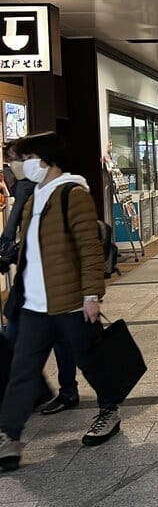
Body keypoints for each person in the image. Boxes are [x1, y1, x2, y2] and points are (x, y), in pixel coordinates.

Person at [0, 132, 122, 473]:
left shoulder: (73, 193)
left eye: (21, 158)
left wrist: (90, 295)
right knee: (22, 370)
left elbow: (88, 247)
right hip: (34, 304)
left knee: (91, 360)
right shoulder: (32, 195)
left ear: (42, 160)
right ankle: (10, 436)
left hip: (70, 302)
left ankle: (109, 411)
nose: (16, 165)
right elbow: (33, 247)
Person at [0, 143, 73, 414]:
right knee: (25, 335)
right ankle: (44, 391)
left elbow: (15, 227)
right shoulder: (27, 185)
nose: (14, 164)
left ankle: (61, 392)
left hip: (48, 277)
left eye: (20, 158)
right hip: (31, 276)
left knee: (58, 338)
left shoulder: (37, 188)